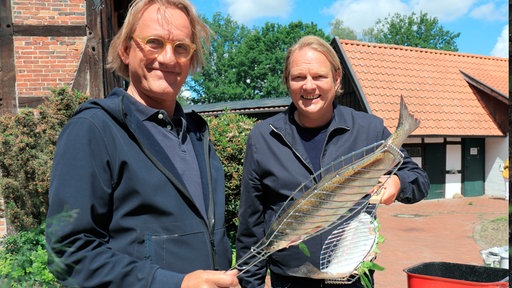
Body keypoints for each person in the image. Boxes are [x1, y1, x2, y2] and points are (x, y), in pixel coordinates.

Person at [45, 0, 239, 287]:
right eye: (154, 43)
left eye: (181, 47)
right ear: (125, 50)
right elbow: (68, 252)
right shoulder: (94, 130)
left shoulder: (198, 134)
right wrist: (174, 284)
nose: (169, 58)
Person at [235, 35, 430, 288]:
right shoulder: (264, 137)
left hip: (353, 280)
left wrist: (398, 183)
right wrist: (251, 285)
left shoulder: (368, 129)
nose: (308, 86)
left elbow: (419, 180)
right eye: (298, 77)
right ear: (287, 81)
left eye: (319, 77)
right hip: (290, 282)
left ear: (337, 78)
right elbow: (252, 223)